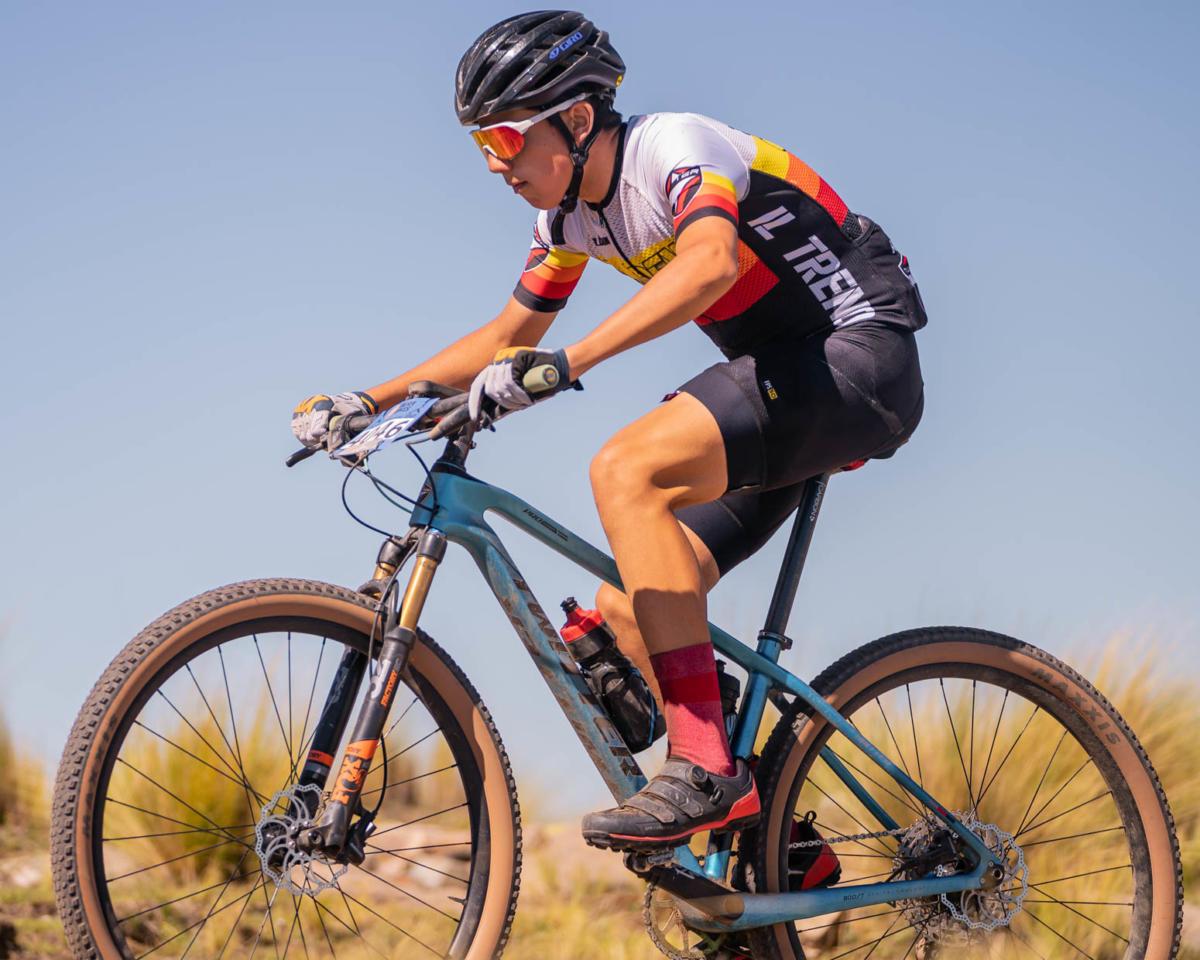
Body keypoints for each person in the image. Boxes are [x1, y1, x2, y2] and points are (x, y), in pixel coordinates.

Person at [291, 10, 926, 852]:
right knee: (632, 610)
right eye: (481, 145)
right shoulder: (567, 220)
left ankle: (703, 768)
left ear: (579, 118)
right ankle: (776, 847)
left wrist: (570, 361)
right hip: (782, 382)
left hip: (857, 358)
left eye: (507, 138)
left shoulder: (674, 150)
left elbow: (709, 263)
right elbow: (505, 335)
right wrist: (367, 401)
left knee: (627, 468)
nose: (495, 164)